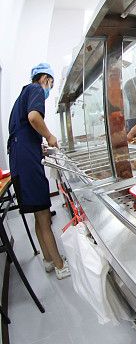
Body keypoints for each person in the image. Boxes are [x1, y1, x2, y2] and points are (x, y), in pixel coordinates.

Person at [7, 63, 70, 279]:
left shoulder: (20, 96)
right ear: (45, 79)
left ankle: (48, 260)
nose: (49, 88)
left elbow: (24, 129)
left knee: (37, 213)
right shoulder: (35, 89)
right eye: (50, 83)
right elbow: (34, 117)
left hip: (19, 160)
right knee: (44, 215)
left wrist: (37, 146)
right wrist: (50, 137)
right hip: (27, 162)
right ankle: (62, 266)